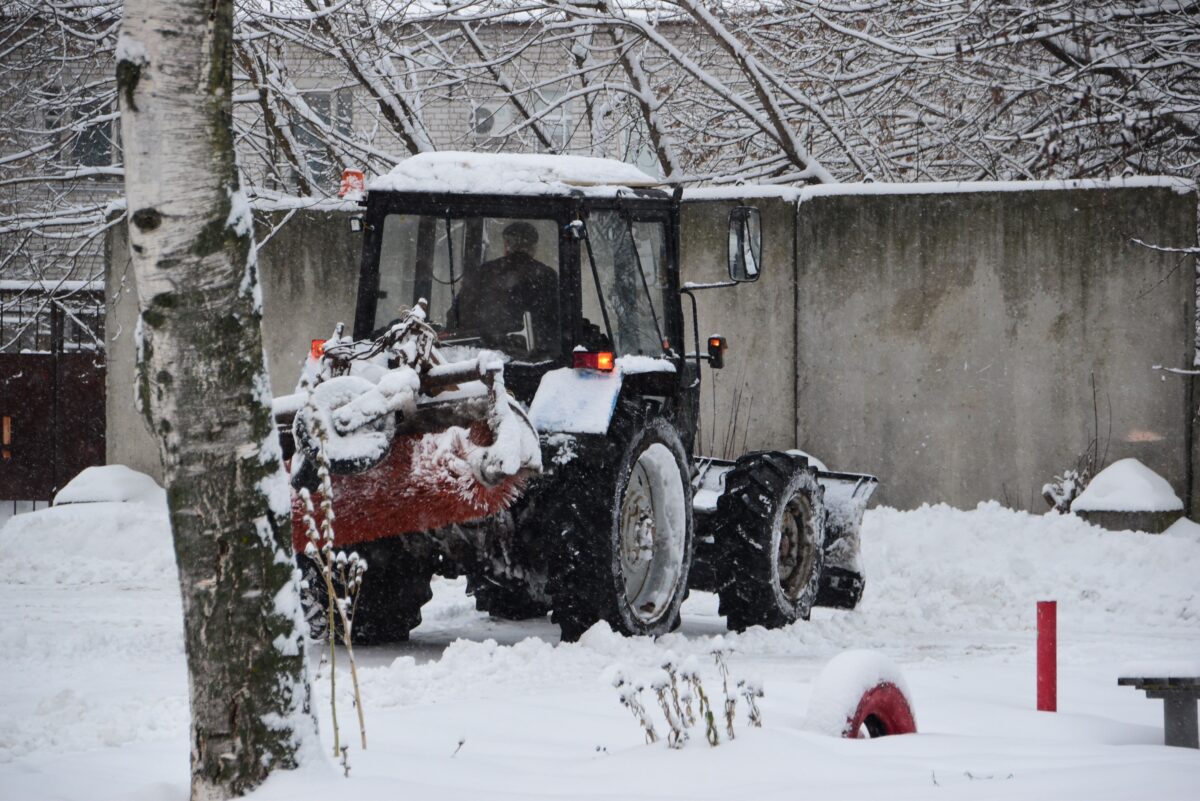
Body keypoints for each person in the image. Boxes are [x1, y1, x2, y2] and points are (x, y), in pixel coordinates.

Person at [448, 221, 559, 354]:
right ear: (533, 248)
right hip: (538, 360)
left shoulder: (485, 273)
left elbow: (455, 317)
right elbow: (560, 320)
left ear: (506, 245)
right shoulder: (547, 276)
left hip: (485, 359)